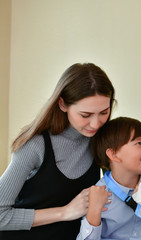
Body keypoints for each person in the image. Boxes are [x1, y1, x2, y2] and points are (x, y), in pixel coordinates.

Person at [0, 63, 115, 240]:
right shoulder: (35, 146)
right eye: (85, 115)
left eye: (104, 112)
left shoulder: (101, 141)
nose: (96, 124)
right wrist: (65, 212)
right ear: (62, 104)